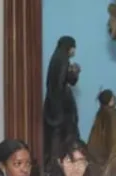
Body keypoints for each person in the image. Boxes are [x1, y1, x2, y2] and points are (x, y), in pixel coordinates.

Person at [43, 36, 81, 168]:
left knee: (55, 135)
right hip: (61, 107)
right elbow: (63, 81)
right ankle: (60, 164)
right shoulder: (63, 60)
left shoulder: (56, 58)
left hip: (52, 104)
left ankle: (54, 163)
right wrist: (75, 72)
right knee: (64, 135)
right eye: (73, 47)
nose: (74, 51)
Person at [86, 89, 116, 176]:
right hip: (113, 155)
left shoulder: (100, 113)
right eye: (113, 96)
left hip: (97, 158)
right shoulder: (113, 114)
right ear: (110, 100)